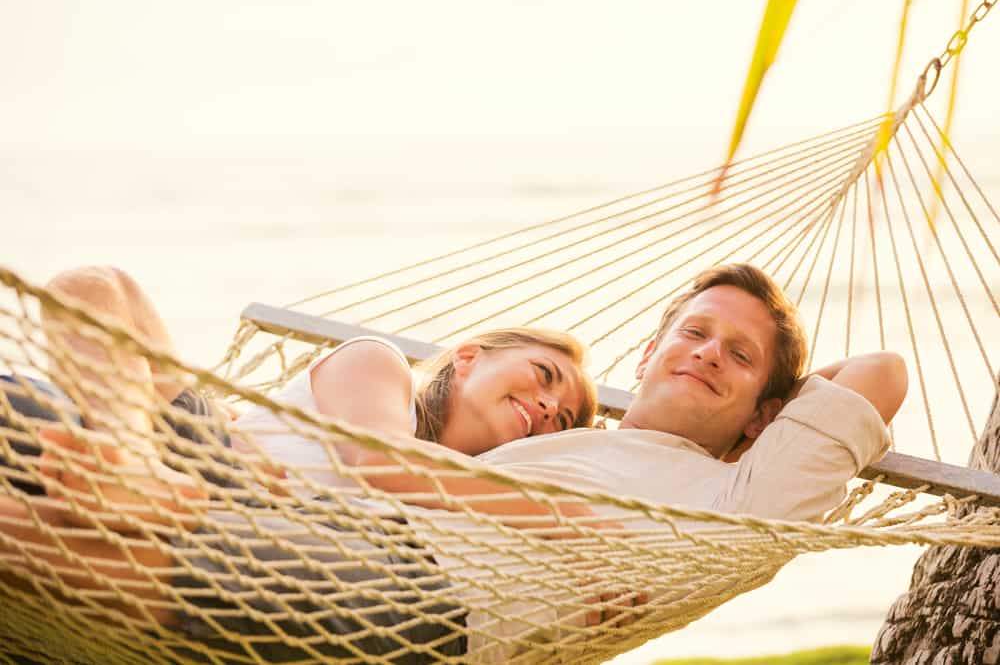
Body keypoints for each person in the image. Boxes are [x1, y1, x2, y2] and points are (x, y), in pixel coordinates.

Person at [0, 263, 907, 662]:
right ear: (647, 350)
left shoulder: (739, 494)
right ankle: (125, 478)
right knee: (33, 381)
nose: (708, 352)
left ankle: (129, 487)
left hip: (417, 600)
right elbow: (402, 461)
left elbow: (879, 372)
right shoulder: (576, 442)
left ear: (765, 416)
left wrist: (782, 409)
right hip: (338, 532)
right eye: (694, 331)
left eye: (737, 357)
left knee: (38, 547)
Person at [0, 265, 598, 664]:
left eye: (565, 419)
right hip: (202, 463)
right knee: (105, 287)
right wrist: (580, 525)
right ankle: (127, 464)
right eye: (545, 376)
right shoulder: (379, 364)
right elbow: (381, 462)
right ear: (467, 359)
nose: (549, 406)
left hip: (232, 523)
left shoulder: (457, 509)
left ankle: (126, 469)